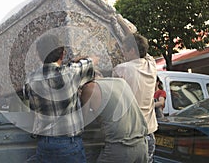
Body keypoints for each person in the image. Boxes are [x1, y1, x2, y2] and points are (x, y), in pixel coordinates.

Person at [25, 33, 96, 163]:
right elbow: (93, 60)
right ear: (62, 54)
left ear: (40, 56)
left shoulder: (31, 79)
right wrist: (76, 60)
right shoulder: (71, 72)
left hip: (44, 144)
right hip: (69, 144)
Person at [81, 75, 148, 163]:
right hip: (141, 146)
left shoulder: (89, 88)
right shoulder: (121, 82)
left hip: (119, 148)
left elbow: (82, 122)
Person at [113, 33, 157, 163]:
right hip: (149, 133)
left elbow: (114, 100)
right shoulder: (151, 66)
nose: (122, 54)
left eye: (124, 50)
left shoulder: (121, 70)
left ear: (132, 50)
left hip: (129, 135)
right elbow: (146, 53)